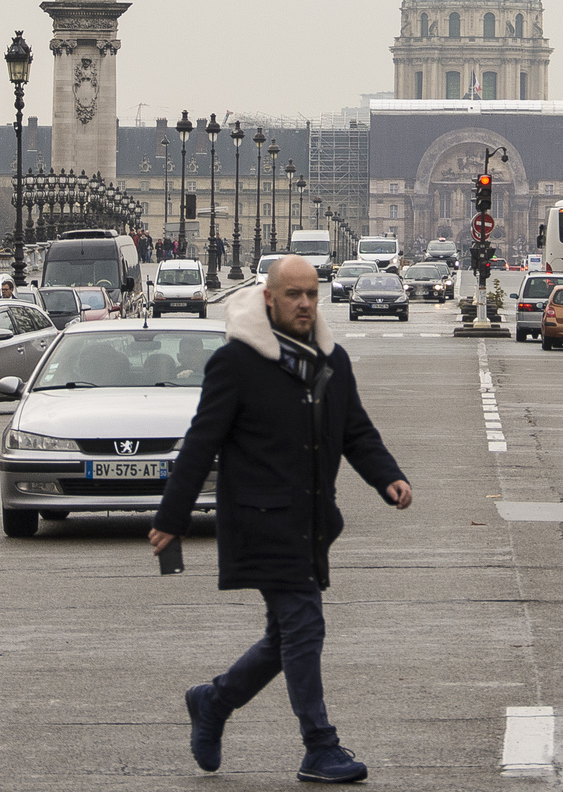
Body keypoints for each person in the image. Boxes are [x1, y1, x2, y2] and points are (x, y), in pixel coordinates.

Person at [150, 256, 411, 782]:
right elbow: (202, 441)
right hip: (260, 521)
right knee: (304, 625)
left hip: (311, 519)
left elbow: (355, 429)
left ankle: (213, 702)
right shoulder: (237, 362)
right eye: (293, 294)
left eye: (311, 294)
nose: (304, 304)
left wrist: (388, 477)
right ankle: (320, 745)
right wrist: (172, 516)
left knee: (284, 637)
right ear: (269, 298)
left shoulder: (330, 360)